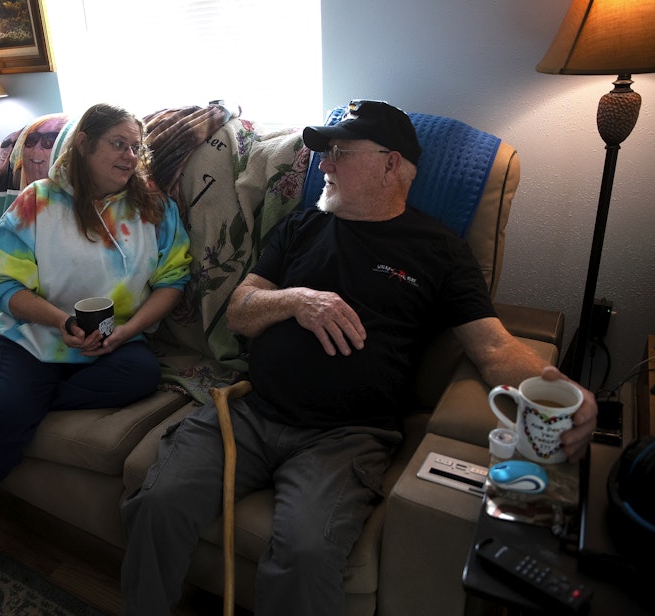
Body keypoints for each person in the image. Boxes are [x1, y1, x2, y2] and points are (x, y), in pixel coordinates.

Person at [120, 100, 598, 615]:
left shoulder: (439, 251)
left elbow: (495, 348)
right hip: (251, 414)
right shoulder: (302, 226)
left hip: (346, 438)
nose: (322, 164)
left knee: (304, 553)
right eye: (323, 153)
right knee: (159, 503)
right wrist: (298, 300)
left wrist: (568, 392)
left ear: (392, 164)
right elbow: (239, 310)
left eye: (339, 152)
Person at [0, 103, 193, 584]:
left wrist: (127, 331)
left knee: (142, 374)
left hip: (112, 342)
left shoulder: (156, 208)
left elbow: (173, 281)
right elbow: (1, 287)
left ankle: (2, 409)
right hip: (33, 336)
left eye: (135, 147)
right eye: (118, 144)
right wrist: (60, 320)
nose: (130, 156)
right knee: (13, 409)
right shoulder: (37, 202)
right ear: (84, 144)